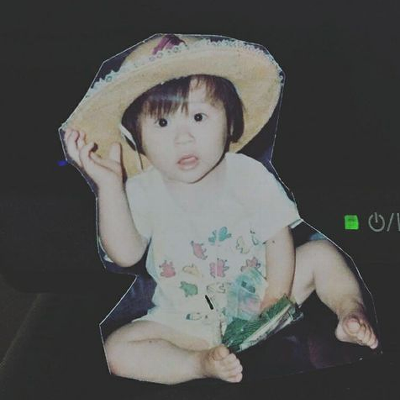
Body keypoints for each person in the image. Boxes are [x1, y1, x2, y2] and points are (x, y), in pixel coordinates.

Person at [61, 34, 378, 385]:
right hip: (185, 324)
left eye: (199, 116)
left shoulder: (248, 174)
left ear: (229, 121)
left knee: (321, 254)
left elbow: (277, 239)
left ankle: (350, 313)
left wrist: (273, 300)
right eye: (162, 123)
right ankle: (198, 363)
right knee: (115, 351)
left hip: (265, 297)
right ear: (136, 137)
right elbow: (125, 254)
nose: (183, 138)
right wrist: (109, 189)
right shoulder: (141, 191)